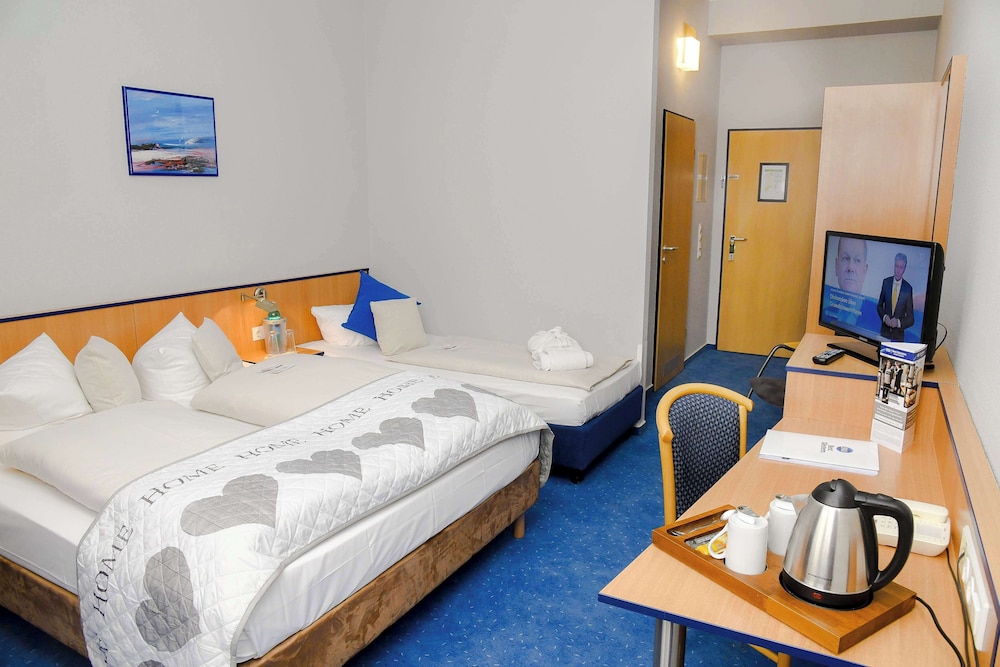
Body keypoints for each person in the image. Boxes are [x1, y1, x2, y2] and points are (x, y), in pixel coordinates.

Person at [877, 252, 914, 341]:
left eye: (901, 267)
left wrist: (898, 322)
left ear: (904, 269)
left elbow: (911, 319)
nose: (898, 270)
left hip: (898, 337)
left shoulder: (908, 289)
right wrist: (885, 317)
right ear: (894, 266)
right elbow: (879, 306)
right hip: (884, 334)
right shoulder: (886, 282)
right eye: (896, 266)